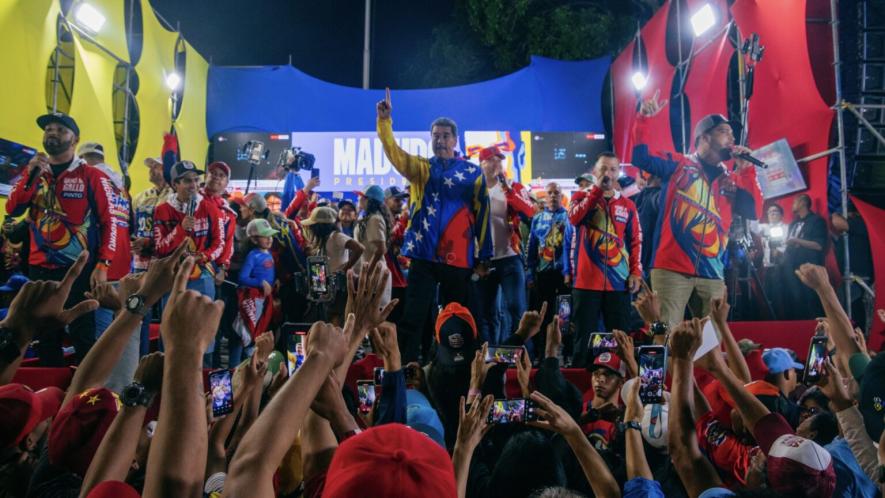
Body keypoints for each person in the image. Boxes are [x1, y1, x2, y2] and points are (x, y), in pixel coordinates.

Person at [376, 88, 492, 363]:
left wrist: (484, 256)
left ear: (455, 139)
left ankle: (458, 367)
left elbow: (483, 214)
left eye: (445, 136)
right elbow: (393, 151)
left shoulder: (472, 172)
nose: (440, 140)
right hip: (423, 255)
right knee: (414, 317)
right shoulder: (420, 168)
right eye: (436, 136)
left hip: (459, 258)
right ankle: (402, 370)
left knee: (459, 316)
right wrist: (384, 122)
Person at [632, 92, 762, 327]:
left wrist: (746, 170)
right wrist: (643, 119)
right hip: (671, 268)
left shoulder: (731, 179)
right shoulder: (679, 165)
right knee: (664, 336)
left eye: (732, 133)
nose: (731, 137)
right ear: (704, 137)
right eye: (724, 131)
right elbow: (641, 158)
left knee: (711, 343)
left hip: (712, 271)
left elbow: (753, 211)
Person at [6, 113, 117, 365]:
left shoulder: (92, 176)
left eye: (60, 129)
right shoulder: (35, 173)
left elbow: (110, 224)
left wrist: (103, 265)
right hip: (39, 268)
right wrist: (30, 175)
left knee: (82, 335)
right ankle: (48, 395)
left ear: (74, 139)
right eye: (48, 130)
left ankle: (84, 398)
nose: (52, 133)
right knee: (45, 336)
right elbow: (13, 209)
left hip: (78, 269)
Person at [568, 152, 642, 367]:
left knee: (620, 339)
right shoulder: (580, 197)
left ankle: (621, 388)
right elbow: (575, 219)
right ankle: (580, 388)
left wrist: (636, 272)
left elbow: (636, 240)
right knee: (584, 339)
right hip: (586, 282)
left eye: (612, 169)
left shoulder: (628, 206)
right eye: (603, 169)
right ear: (595, 172)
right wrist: (596, 192)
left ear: (618, 173)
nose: (607, 174)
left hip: (618, 283)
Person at [474, 145, 534, 345]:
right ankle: (490, 356)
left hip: (509, 257)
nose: (497, 163)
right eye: (492, 159)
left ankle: (521, 356)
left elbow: (530, 213)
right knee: (487, 313)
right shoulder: (473, 191)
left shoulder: (513, 187)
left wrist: (509, 192)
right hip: (484, 261)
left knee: (517, 309)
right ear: (481, 164)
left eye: (500, 160)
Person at [130, 157, 172, 356]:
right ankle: (140, 361)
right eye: (151, 167)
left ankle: (163, 363)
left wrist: (151, 243)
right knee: (139, 313)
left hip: (164, 263)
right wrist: (133, 241)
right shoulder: (140, 196)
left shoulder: (174, 196)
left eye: (156, 166)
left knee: (167, 314)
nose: (152, 170)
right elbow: (131, 225)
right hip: (139, 263)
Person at [527, 182, 574, 349]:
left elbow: (572, 247)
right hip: (543, 272)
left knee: (565, 314)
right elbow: (531, 247)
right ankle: (541, 352)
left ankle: (566, 352)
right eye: (550, 193)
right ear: (545, 197)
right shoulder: (538, 219)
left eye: (556, 193)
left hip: (563, 274)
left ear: (562, 197)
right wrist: (530, 274)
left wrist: (570, 272)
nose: (553, 196)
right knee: (542, 313)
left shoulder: (569, 217)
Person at [301, 206, 364, 322]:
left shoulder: (336, 236)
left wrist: (345, 269)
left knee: (335, 319)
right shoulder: (324, 239)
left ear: (319, 226)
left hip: (339, 288)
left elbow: (359, 248)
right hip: (326, 288)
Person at [232, 219, 277, 359]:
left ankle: (249, 364)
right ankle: (236, 367)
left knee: (256, 332)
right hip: (252, 300)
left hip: (263, 300)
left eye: (271, 235)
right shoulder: (253, 256)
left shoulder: (268, 253)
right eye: (265, 236)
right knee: (245, 333)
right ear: (254, 239)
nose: (269, 239)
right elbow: (242, 278)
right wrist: (260, 283)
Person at [831, 202, 874, 333]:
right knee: (843, 307)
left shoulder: (861, 223)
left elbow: (838, 222)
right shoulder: (852, 230)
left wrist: (835, 213)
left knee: (853, 306)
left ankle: (859, 337)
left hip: (859, 275)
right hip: (849, 275)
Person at [784, 194, 827, 319]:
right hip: (792, 266)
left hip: (809, 266)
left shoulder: (816, 221)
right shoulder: (793, 224)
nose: (792, 205)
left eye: (794, 202)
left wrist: (797, 240)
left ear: (802, 203)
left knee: (810, 299)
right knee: (795, 299)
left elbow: (819, 245)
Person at [354, 185, 393, 305]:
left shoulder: (374, 219)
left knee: (373, 318)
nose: (358, 200)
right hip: (371, 273)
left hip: (374, 274)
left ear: (368, 200)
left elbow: (381, 249)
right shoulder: (370, 218)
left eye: (361, 197)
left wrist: (367, 273)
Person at [384, 186, 410, 324]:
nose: (400, 202)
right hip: (386, 280)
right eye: (396, 199)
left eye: (402, 200)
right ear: (385, 200)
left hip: (398, 278)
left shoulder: (398, 221)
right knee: (388, 322)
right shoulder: (381, 221)